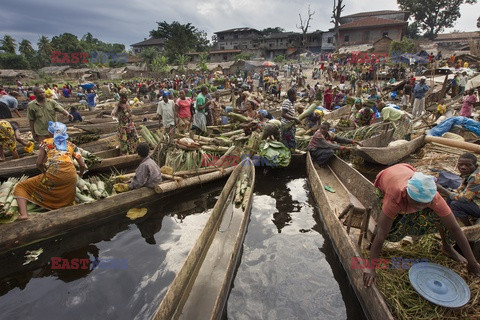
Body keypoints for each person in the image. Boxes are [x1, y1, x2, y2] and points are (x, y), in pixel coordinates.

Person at [364, 164, 480, 287]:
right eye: (416, 203)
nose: (419, 208)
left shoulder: (433, 197)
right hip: (387, 179)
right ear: (407, 194)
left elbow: (455, 229)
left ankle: (447, 248)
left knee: (443, 219)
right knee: (389, 229)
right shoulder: (395, 196)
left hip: (407, 173)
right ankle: (370, 247)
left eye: (424, 204)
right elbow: (382, 233)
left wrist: (472, 262)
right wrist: (371, 267)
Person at [13, 121, 87, 221]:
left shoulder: (46, 142)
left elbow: (39, 164)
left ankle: (23, 214)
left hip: (54, 174)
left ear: (51, 133)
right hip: (71, 176)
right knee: (62, 186)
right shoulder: (72, 145)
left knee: (21, 187)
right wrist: (80, 174)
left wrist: (44, 172)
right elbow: (82, 165)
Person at [437, 153, 480, 226]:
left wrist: (444, 191)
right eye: (460, 164)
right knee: (451, 198)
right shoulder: (471, 171)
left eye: (468, 165)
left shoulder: (476, 177)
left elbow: (465, 198)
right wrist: (450, 192)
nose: (463, 167)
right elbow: (461, 189)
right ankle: (449, 222)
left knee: (456, 205)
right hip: (476, 198)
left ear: (475, 166)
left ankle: (468, 228)